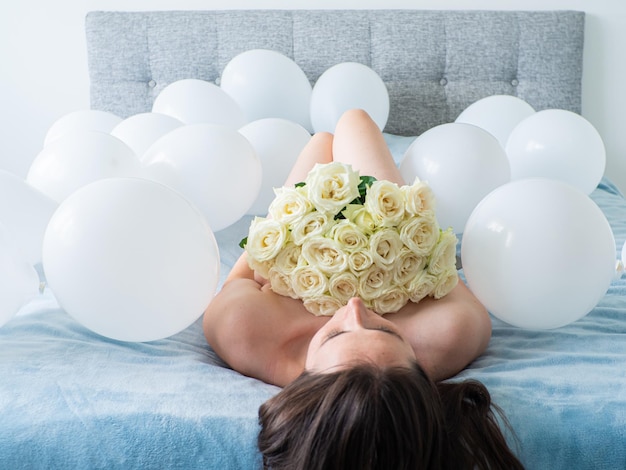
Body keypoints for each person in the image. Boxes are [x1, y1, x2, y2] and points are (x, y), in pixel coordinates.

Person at [203, 109, 524, 469]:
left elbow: (256, 254)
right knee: (353, 122)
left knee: (321, 142)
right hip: (388, 236)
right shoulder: (454, 333)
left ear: (304, 379)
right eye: (386, 329)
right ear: (420, 368)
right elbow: (438, 259)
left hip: (295, 235)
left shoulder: (242, 331)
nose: (354, 307)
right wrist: (388, 252)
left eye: (332, 336)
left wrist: (300, 229)